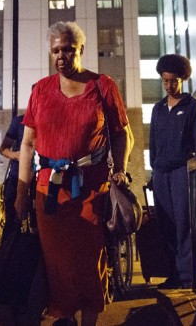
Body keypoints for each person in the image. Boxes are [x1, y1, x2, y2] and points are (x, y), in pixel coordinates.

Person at [14, 21, 131, 326]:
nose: (61, 56)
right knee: (57, 264)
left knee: (90, 260)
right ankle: (64, 319)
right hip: (49, 190)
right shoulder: (40, 90)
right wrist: (20, 194)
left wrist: (120, 170)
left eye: (67, 49)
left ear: (81, 49)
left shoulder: (102, 85)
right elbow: (27, 144)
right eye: (55, 50)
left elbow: (122, 135)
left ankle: (89, 321)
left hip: (91, 187)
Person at [149, 54, 196, 289]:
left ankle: (187, 277)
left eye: (173, 81)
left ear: (181, 79)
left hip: (182, 171)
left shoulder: (193, 105)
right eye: (165, 81)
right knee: (166, 224)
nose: (169, 85)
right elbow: (153, 141)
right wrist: (154, 169)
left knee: (184, 223)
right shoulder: (158, 108)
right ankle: (173, 274)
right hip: (161, 173)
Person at [0, 114, 28, 240]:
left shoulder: (49, 119)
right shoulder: (19, 121)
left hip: (40, 177)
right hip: (16, 176)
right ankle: (8, 255)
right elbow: (3, 149)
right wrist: (16, 155)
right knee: (12, 222)